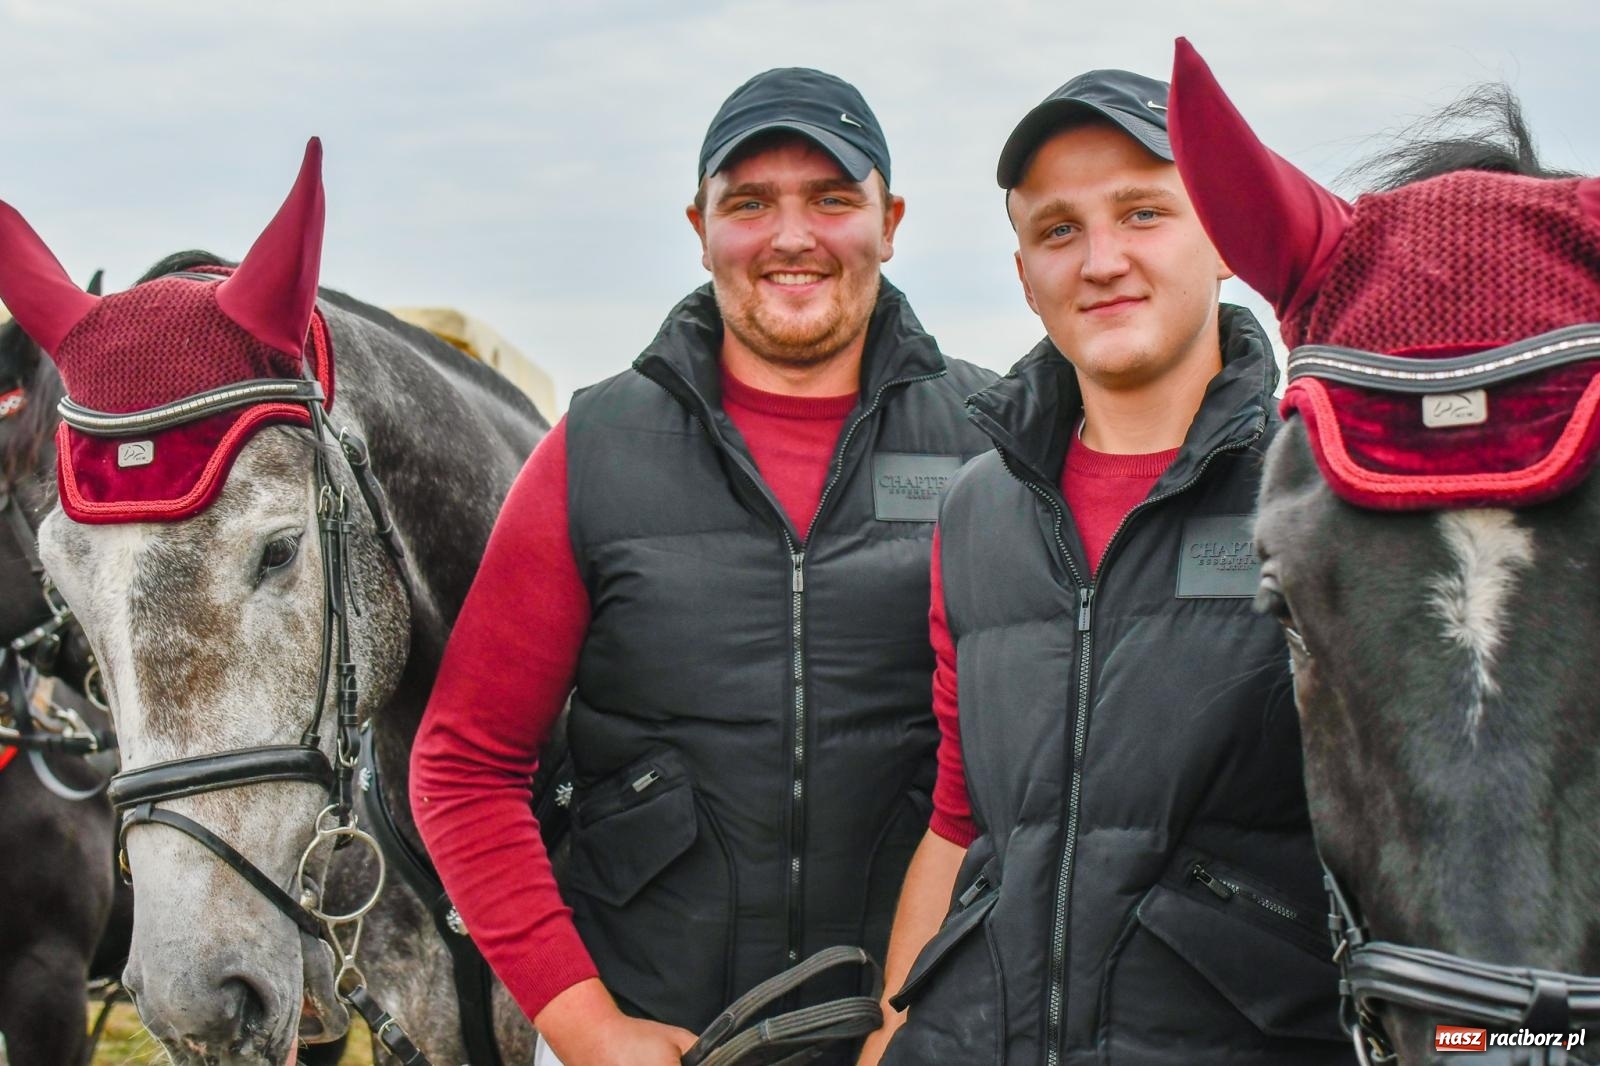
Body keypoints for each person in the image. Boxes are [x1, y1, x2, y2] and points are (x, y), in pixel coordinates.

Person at [411, 67, 996, 1066]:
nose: (791, 235)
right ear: (699, 226)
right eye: (750, 203)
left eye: (832, 198)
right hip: (659, 1031)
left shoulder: (988, 444)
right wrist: (586, 1027)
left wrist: (920, 1028)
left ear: (890, 222)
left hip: (920, 1037)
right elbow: (463, 767)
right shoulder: (592, 450)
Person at [862, 70, 1350, 1065]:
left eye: (1142, 213)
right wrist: (890, 1035)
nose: (1101, 260)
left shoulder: (1323, 496)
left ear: (1221, 240)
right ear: (1023, 275)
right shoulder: (975, 507)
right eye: (1057, 231)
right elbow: (960, 820)